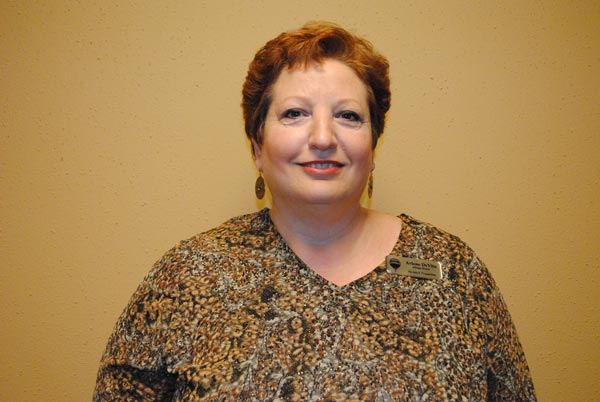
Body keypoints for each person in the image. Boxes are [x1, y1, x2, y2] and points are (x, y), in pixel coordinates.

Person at [93, 22, 536, 401]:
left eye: (348, 116)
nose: (323, 137)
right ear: (257, 147)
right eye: (294, 113)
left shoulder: (455, 272)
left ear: (373, 146)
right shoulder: (186, 277)